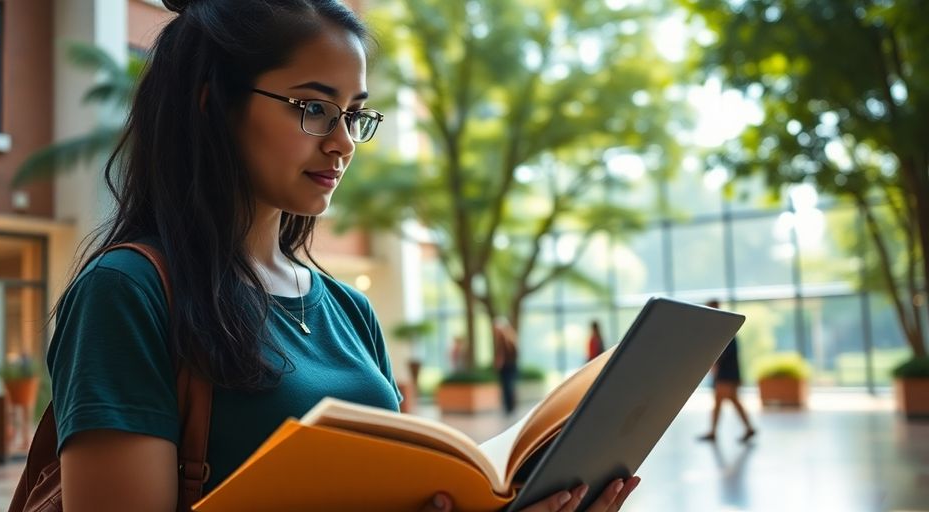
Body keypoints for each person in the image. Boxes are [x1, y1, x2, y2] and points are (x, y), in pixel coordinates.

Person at [46, 1, 640, 510]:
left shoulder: (349, 309)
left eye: (354, 114)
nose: (343, 141)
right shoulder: (128, 291)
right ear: (211, 105)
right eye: (313, 107)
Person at [698, 299, 757, 443]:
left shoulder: (725, 329)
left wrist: (714, 366)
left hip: (726, 374)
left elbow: (721, 353)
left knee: (724, 401)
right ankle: (745, 428)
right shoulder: (724, 328)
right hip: (727, 374)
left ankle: (715, 431)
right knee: (727, 401)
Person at [492, 317, 519, 415]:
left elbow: (501, 354)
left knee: (507, 387)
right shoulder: (512, 338)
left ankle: (509, 407)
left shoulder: (502, 339)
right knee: (510, 386)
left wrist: (498, 364)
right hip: (512, 366)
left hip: (506, 367)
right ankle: (511, 406)